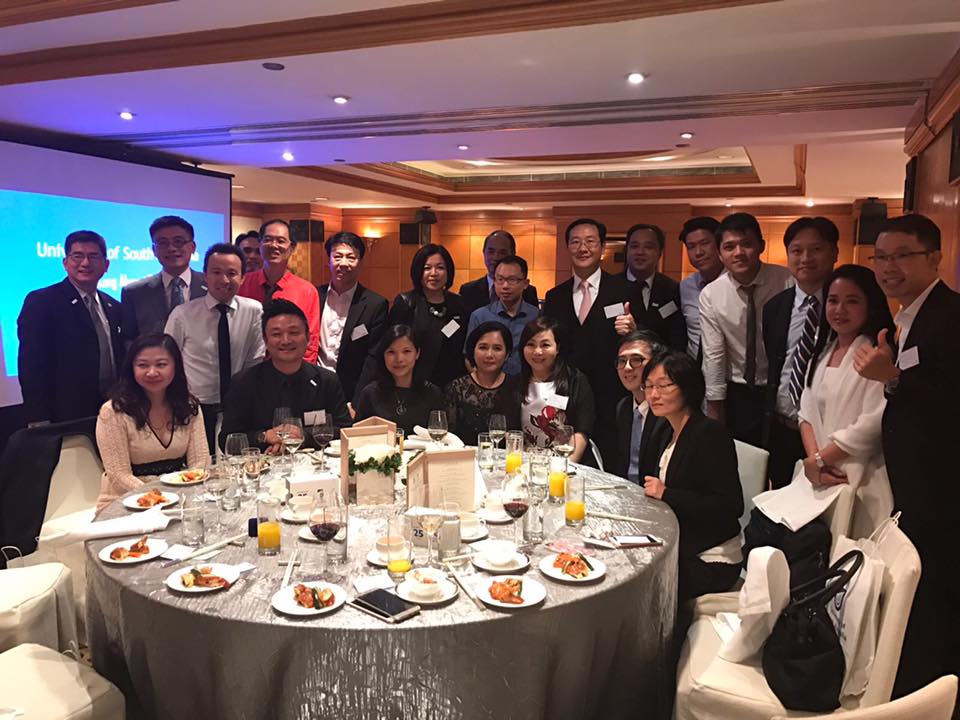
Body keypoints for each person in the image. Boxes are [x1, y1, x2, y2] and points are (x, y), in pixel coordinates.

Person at [852, 214, 960, 699]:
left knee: (938, 591)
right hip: (916, 483)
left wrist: (892, 379)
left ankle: (930, 694)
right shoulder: (905, 318)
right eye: (880, 257)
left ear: (934, 258)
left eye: (902, 255)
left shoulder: (950, 317)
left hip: (943, 486)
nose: (887, 267)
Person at [755, 264, 894, 537]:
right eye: (833, 300)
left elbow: (872, 424)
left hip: (860, 474)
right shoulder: (822, 352)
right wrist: (814, 460)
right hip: (819, 473)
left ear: (870, 305)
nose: (840, 310)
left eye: (852, 301)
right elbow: (805, 412)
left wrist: (820, 459)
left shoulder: (874, 355)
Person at [640, 351, 743, 602]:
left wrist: (667, 494)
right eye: (649, 386)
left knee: (641, 587)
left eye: (664, 385)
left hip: (711, 557)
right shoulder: (665, 431)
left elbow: (730, 506)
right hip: (679, 544)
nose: (654, 394)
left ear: (688, 388)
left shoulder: (710, 433)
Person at [541, 218, 636, 466]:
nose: (583, 248)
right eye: (575, 242)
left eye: (590, 241)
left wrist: (633, 331)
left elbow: (645, 342)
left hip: (611, 395)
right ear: (568, 248)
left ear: (602, 247)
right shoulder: (555, 296)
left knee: (611, 463)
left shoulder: (624, 290)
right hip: (567, 396)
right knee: (564, 463)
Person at [699, 212, 793, 446]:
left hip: (783, 386)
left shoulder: (787, 282)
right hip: (738, 393)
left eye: (747, 244)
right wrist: (714, 410)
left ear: (761, 245)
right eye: (729, 247)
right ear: (720, 253)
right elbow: (714, 354)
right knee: (741, 459)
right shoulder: (712, 294)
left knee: (782, 456)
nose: (738, 253)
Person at [165, 243, 265, 452]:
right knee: (199, 463)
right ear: (205, 275)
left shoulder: (253, 310)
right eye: (216, 272)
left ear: (243, 277)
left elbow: (254, 360)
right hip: (195, 408)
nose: (224, 280)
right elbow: (168, 361)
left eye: (232, 273)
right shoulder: (183, 314)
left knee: (238, 461)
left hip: (238, 405)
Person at [761, 217, 838, 488]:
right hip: (782, 428)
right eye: (797, 250)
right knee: (782, 497)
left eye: (816, 249)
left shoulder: (844, 306)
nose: (805, 258)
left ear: (834, 253)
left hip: (828, 434)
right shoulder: (774, 307)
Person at [18, 230, 124, 424]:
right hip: (65, 414)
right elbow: (31, 366)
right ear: (65, 263)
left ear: (106, 265)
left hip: (112, 409)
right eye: (78, 256)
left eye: (93, 256)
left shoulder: (114, 306)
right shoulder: (42, 301)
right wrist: (38, 418)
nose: (85, 263)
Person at [95, 333, 207, 511]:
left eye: (161, 364)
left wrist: (179, 495)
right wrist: (161, 498)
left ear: (175, 366)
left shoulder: (188, 407)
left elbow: (200, 463)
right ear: (132, 368)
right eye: (142, 365)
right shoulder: (113, 412)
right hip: (125, 501)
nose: (152, 372)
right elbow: (118, 475)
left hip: (179, 498)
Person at [219, 299, 349, 453]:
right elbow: (227, 440)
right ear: (265, 340)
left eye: (294, 332)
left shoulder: (327, 380)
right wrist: (264, 436)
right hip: (262, 465)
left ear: (308, 337)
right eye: (276, 334)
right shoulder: (244, 382)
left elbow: (345, 430)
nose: (286, 340)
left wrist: (302, 436)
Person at [496, 316, 595, 464]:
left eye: (545, 345)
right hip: (525, 463)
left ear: (557, 348)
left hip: (564, 462)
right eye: (531, 344)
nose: (537, 351)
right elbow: (510, 431)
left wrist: (567, 467)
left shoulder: (575, 380)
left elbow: (582, 431)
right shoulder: (514, 384)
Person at [382, 244, 468, 389]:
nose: (434, 273)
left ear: (449, 271)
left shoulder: (458, 304)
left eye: (440, 267)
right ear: (418, 272)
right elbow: (392, 345)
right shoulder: (406, 303)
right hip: (414, 383)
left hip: (452, 383)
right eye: (427, 268)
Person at [316, 231, 388, 402]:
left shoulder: (375, 304)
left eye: (351, 257)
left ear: (360, 262)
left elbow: (373, 358)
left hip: (351, 392)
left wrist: (358, 401)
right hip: (314, 387)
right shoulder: (314, 296)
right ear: (328, 260)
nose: (343, 263)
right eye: (337, 256)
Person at [237, 219, 320, 363]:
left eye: (281, 241)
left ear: (292, 247)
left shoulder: (306, 291)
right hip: (246, 367)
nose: (274, 245)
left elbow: (310, 342)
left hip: (289, 368)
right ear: (260, 244)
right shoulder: (242, 284)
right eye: (268, 239)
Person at [120, 216, 207, 344]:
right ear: (154, 250)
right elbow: (128, 339)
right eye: (163, 243)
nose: (171, 248)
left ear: (192, 247)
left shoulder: (211, 285)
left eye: (178, 241)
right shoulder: (134, 292)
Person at [354, 325, 444, 435]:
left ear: (417, 353)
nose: (399, 359)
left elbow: (441, 437)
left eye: (406, 351)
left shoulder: (432, 394)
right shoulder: (370, 394)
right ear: (383, 355)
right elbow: (358, 436)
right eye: (391, 352)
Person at [611, 330, 672, 484]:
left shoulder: (668, 411)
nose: (627, 367)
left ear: (656, 363)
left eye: (636, 360)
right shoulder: (623, 407)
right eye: (622, 361)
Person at [465, 255, 539, 375]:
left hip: (526, 382)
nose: (505, 286)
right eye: (500, 279)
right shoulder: (479, 316)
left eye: (512, 280)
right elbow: (469, 357)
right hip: (488, 383)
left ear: (525, 283)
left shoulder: (536, 316)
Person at [619, 223, 687, 351]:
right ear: (626, 250)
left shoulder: (672, 289)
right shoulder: (608, 287)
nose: (640, 252)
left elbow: (678, 337)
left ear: (659, 253)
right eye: (634, 246)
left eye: (648, 247)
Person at [445, 321, 511, 445]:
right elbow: (447, 438)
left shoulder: (516, 387)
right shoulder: (456, 388)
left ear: (507, 354)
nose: (489, 354)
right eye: (483, 347)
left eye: (497, 348)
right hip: (463, 456)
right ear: (473, 351)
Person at [459, 230, 539, 317]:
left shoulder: (528, 291)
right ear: (484, 252)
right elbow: (460, 321)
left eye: (502, 253)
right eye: (491, 252)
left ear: (513, 254)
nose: (495, 257)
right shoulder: (468, 291)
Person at [678, 216, 723, 359]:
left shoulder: (737, 284)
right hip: (693, 367)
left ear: (719, 244)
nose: (698, 252)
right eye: (691, 247)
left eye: (704, 243)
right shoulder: (685, 286)